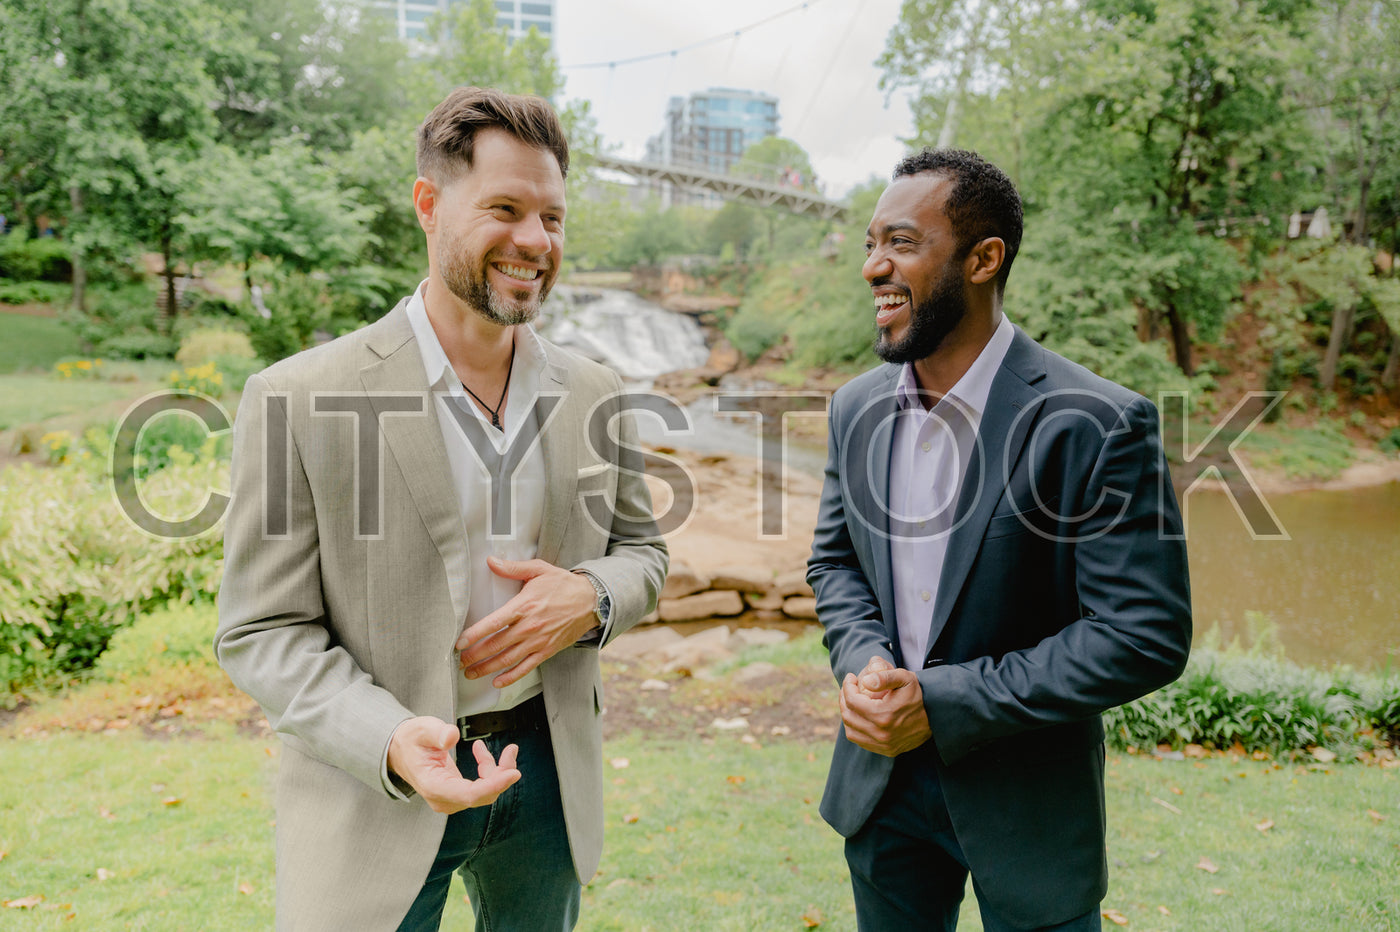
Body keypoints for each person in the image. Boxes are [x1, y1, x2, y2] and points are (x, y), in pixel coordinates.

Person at [216, 86, 668, 932]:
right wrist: (387, 740)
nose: (535, 241)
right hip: (374, 781)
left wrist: (592, 595)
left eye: (554, 218)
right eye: (505, 208)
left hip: (546, 771)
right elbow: (259, 630)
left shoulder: (598, 391)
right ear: (429, 205)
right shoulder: (295, 398)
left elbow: (645, 553)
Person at [806, 148, 1191, 931]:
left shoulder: (1102, 422)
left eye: (903, 243)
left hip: (1032, 812)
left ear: (984, 259)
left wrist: (942, 703)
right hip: (880, 793)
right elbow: (836, 561)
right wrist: (865, 664)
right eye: (871, 243)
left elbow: (1144, 635)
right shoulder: (853, 407)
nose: (875, 266)